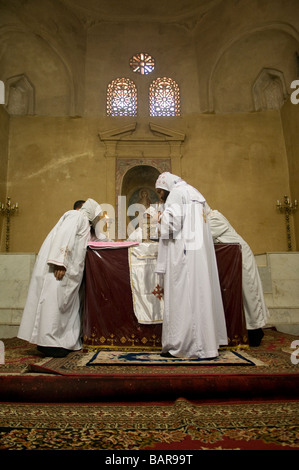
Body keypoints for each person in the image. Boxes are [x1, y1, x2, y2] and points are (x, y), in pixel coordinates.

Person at [155, 172, 228, 359]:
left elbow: (171, 225)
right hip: (200, 255)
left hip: (183, 254)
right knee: (200, 296)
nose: (160, 196)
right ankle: (207, 344)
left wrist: (159, 221)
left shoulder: (176, 194)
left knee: (183, 297)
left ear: (165, 188)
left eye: (159, 192)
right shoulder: (196, 193)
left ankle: (183, 346)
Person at [17, 198, 102, 357]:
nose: (98, 219)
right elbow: (64, 236)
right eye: (97, 215)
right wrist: (59, 262)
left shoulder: (86, 224)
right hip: (61, 270)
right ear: (91, 212)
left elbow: (94, 242)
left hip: (71, 275)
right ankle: (49, 344)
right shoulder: (76, 216)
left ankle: (61, 342)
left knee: (64, 308)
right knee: (53, 305)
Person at [205, 204, 269, 346]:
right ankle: (246, 329)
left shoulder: (214, 218)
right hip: (231, 258)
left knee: (250, 294)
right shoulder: (208, 218)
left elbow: (202, 236)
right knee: (241, 297)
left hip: (241, 257)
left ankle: (255, 331)